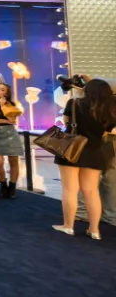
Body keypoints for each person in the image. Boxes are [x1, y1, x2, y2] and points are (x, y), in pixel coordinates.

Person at [53, 79, 116, 240]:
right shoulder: (110, 108)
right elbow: (111, 131)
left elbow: (66, 123)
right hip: (95, 151)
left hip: (72, 149)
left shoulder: (74, 103)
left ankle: (68, 226)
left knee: (70, 189)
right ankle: (94, 230)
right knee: (92, 191)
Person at [0, 83, 23, 199]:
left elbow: (12, 119)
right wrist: (4, 121)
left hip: (10, 133)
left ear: (6, 93)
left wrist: (3, 106)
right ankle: (3, 184)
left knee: (14, 161)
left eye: (2, 90)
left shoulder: (10, 104)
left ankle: (12, 186)